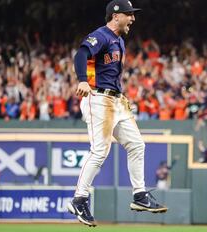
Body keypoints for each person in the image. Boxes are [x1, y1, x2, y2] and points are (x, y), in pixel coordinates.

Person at [67, 0, 168, 227]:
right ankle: (79, 198)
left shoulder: (119, 40)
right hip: (98, 98)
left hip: (116, 100)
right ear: (116, 16)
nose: (132, 18)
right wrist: (83, 80)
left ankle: (139, 195)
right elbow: (81, 55)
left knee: (137, 145)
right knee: (100, 151)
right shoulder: (102, 35)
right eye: (129, 14)